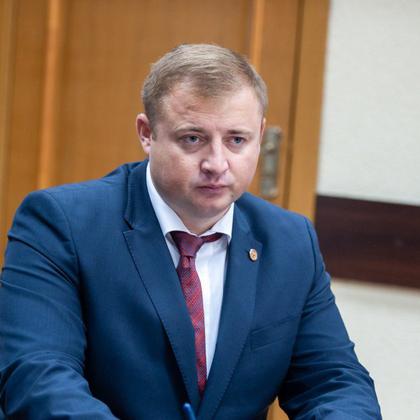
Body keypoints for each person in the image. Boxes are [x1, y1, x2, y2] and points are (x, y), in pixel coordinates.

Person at [0, 44, 381, 419]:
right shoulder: (62, 223)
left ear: (260, 135)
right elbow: (39, 374)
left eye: (236, 140)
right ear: (147, 133)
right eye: (193, 139)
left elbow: (333, 382)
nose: (217, 164)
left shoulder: (290, 241)